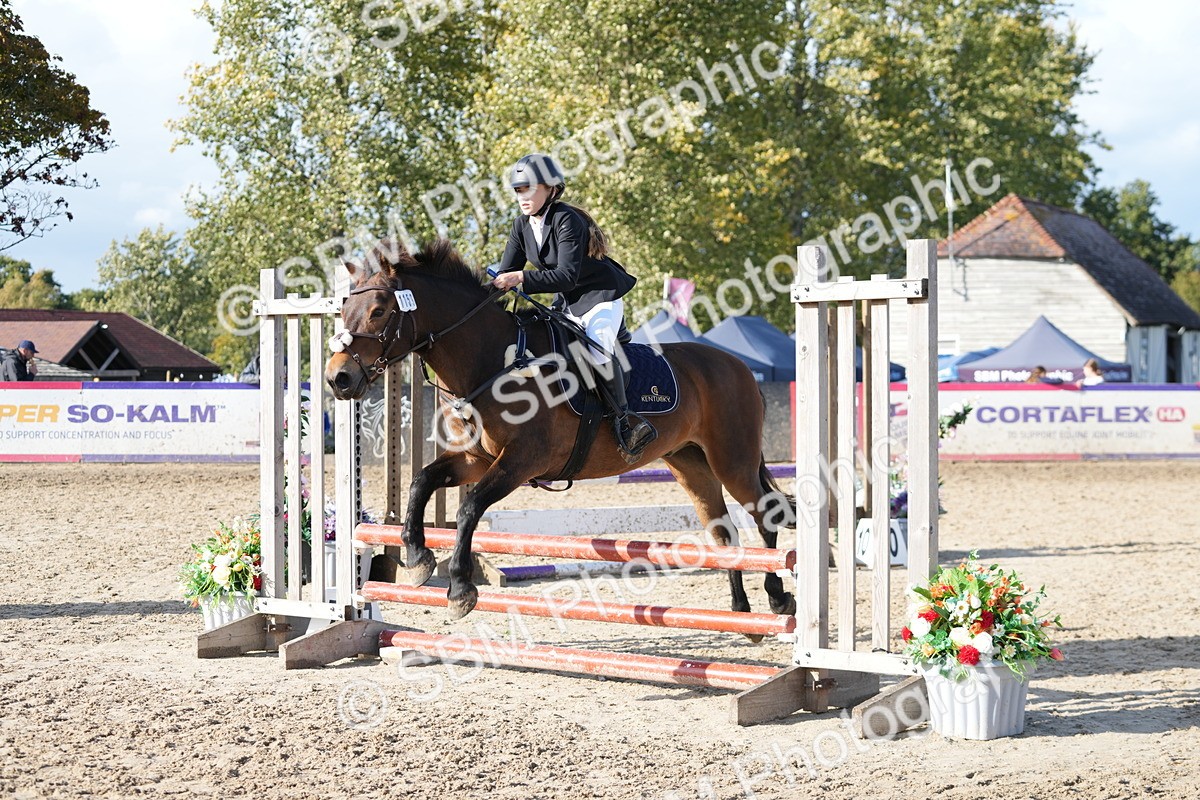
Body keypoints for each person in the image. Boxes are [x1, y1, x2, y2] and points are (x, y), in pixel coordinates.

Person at [490, 153, 657, 463]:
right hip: (566, 304)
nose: (522, 197)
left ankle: (626, 423)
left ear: (551, 189)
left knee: (597, 352)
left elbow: (566, 276)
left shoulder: (568, 220)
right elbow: (505, 276)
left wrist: (521, 277)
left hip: (598, 299)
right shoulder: (520, 226)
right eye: (517, 190)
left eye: (529, 188)